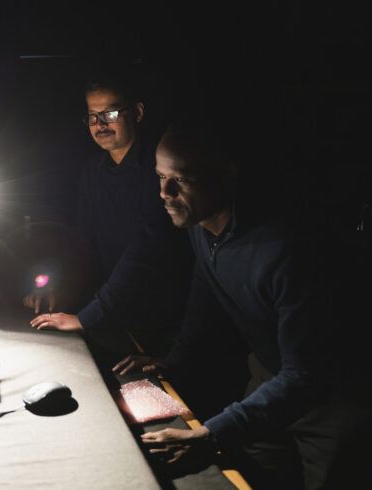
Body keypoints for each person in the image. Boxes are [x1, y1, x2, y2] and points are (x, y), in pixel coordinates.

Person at [113, 117, 368, 488]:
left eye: (180, 179)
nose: (164, 191)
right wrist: (176, 358)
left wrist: (209, 435)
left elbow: (306, 375)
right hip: (269, 377)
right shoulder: (202, 224)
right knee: (250, 477)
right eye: (160, 176)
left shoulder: (286, 249)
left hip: (335, 403)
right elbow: (206, 288)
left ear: (227, 175)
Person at [25, 76, 192, 357]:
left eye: (110, 114)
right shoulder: (93, 170)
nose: (100, 124)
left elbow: (144, 253)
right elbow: (79, 240)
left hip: (160, 321)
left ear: (137, 113)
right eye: (92, 116)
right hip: (111, 314)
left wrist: (85, 318)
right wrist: (57, 286)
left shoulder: (160, 168)